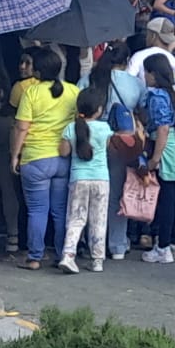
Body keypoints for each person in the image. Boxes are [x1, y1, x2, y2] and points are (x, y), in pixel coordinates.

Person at [10, 48, 77, 271]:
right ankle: (62, 255)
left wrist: (15, 155)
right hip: (63, 157)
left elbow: (21, 128)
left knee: (37, 210)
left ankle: (34, 257)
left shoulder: (31, 92)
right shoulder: (72, 91)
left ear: (37, 71)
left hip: (36, 157)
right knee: (60, 210)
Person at [140, 53, 175, 264]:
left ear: (153, 74)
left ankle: (162, 247)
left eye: (146, 72)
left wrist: (155, 158)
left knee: (166, 199)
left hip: (168, 145)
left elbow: (162, 128)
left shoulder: (157, 96)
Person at [56, 87, 115, 274]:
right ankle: (97, 260)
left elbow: (63, 152)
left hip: (78, 179)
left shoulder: (71, 128)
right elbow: (107, 148)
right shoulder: (105, 128)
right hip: (101, 179)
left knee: (76, 218)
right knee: (99, 219)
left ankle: (68, 255)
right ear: (99, 110)